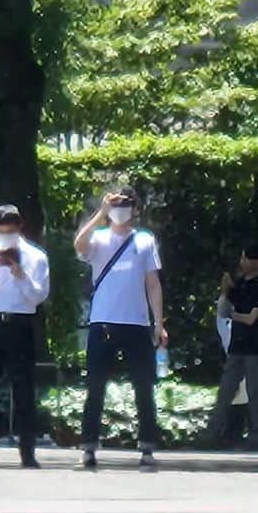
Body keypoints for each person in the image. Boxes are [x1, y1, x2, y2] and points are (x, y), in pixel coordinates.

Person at [74, 187, 166, 472]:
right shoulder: (100, 238)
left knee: (143, 386)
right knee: (96, 386)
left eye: (126, 204)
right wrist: (100, 213)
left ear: (136, 209)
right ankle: (89, 446)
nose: (121, 209)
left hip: (137, 323)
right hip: (103, 322)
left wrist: (158, 323)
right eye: (116, 204)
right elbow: (79, 245)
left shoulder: (144, 240)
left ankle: (148, 446)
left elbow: (153, 283)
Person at [0, 204, 50, 468]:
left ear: (20, 229)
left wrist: (20, 274)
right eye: (1, 231)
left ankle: (28, 452)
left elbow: (39, 296)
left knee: (24, 389)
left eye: (10, 231)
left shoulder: (35, 257)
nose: (5, 237)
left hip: (20, 323)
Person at [208, 242, 258, 450]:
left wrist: (233, 315)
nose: (242, 262)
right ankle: (212, 434)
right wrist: (226, 290)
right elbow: (226, 305)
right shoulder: (240, 284)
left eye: (245, 258)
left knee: (255, 391)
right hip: (237, 347)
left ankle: (256, 436)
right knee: (226, 390)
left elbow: (251, 318)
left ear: (255, 262)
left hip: (256, 349)